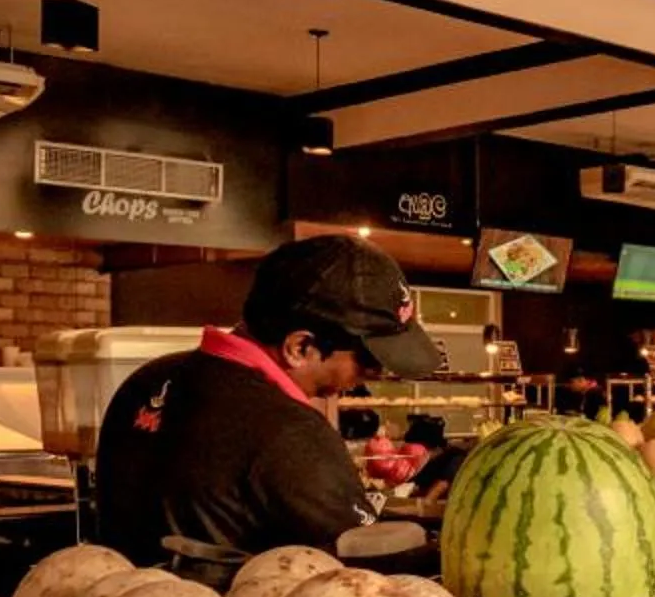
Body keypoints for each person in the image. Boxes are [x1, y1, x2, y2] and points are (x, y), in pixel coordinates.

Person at [95, 233, 439, 562]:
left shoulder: (145, 381)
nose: (371, 376)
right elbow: (367, 563)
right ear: (300, 347)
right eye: (368, 361)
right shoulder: (290, 433)